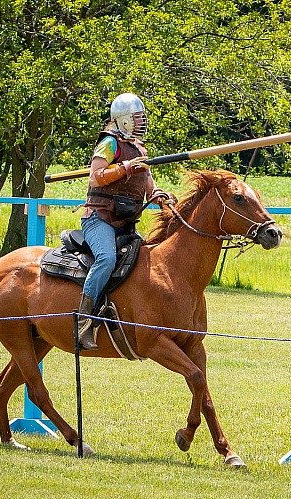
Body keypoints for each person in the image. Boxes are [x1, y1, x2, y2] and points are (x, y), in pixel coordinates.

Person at [77, 93, 172, 350]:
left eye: (142, 117)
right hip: (100, 220)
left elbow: (149, 186)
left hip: (126, 223)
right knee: (106, 259)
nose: (142, 121)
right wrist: (123, 168)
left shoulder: (141, 150)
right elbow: (95, 177)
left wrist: (161, 197)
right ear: (124, 119)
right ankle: (83, 321)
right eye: (137, 117)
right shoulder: (109, 143)